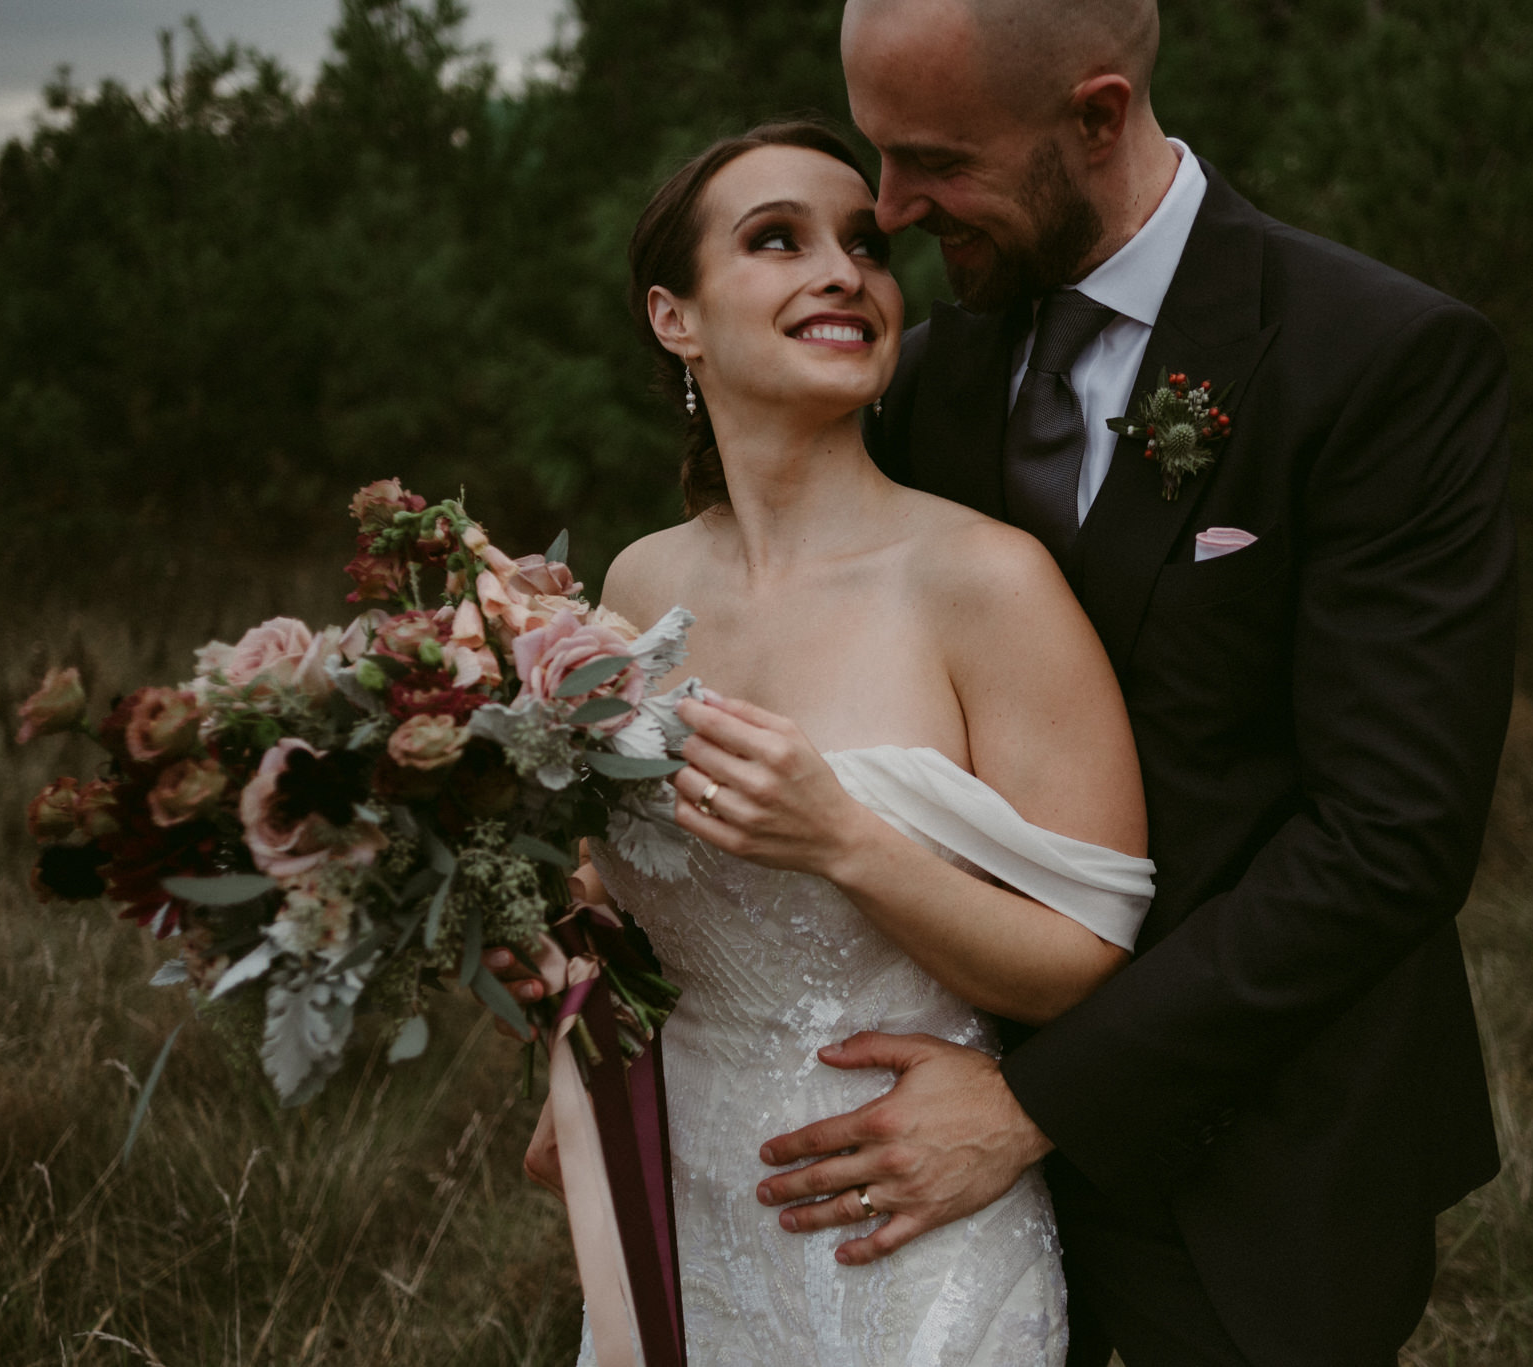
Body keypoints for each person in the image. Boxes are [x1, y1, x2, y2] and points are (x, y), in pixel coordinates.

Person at [741, 2, 1520, 1364]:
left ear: (1095, 117)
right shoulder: (928, 381)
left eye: (935, 159)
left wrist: (1040, 1101)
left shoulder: (1380, 361)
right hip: (940, 1156)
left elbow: (1390, 837)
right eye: (877, 153)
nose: (893, 207)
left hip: (1262, 1157)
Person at [496, 119, 1157, 1366]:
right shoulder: (633, 588)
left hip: (909, 1240)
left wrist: (846, 840)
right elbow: (617, 897)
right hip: (673, 1223)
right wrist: (560, 996)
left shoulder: (985, 579)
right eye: (776, 239)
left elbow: (1084, 961)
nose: (845, 270)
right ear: (671, 316)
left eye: (863, 244)